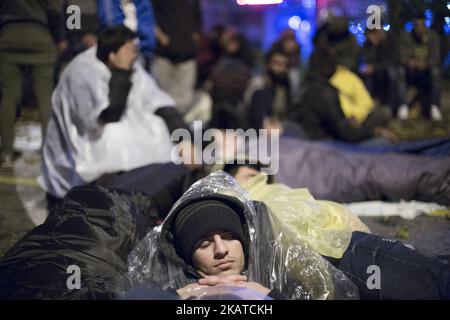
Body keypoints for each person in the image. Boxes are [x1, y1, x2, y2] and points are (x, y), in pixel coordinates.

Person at [126, 172, 450, 300]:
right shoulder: (185, 293)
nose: (222, 250)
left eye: (227, 236)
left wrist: (263, 295)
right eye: (204, 243)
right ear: (186, 256)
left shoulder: (288, 255)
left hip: (342, 251)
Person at [39, 26, 189, 206]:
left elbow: (159, 102)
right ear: (112, 54)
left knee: (157, 127)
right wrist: (121, 72)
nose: (135, 54)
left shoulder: (134, 67)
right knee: (115, 132)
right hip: (81, 164)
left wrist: (183, 139)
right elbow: (107, 116)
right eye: (131, 49)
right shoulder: (83, 72)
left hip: (128, 164)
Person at [0, 0, 66, 169]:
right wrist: (60, 38)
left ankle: (6, 152)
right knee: (45, 96)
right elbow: (56, 10)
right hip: (40, 35)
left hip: (8, 35)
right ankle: (49, 151)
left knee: (8, 95)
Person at [292, 50, 397, 144]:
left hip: (306, 139)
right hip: (324, 143)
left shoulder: (305, 86)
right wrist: (375, 132)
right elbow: (345, 133)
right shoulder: (326, 92)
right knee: (383, 141)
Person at [151, 0, 202, 114]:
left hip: (187, 55)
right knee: (163, 99)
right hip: (164, 55)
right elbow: (150, 19)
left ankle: (179, 128)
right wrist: (164, 40)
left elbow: (197, 20)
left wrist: (193, 42)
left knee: (185, 102)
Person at [397, 14, 442, 121]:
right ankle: (403, 106)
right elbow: (401, 56)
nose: (420, 29)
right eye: (417, 26)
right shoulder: (406, 36)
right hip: (410, 71)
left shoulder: (432, 37)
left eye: (422, 25)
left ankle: (434, 106)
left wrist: (425, 64)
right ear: (413, 25)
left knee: (436, 72)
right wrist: (410, 62)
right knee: (400, 72)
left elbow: (436, 57)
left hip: (426, 71)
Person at [97, 0, 157, 67]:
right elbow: (111, 26)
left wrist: (145, 46)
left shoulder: (142, 2)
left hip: (146, 51)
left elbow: (147, 25)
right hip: (120, 50)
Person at [360, 28, 401, 113]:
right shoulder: (368, 44)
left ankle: (391, 107)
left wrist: (375, 67)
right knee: (367, 76)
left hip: (387, 69)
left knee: (392, 74)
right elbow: (367, 60)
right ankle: (367, 106)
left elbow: (393, 60)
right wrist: (374, 45)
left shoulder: (391, 41)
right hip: (375, 71)